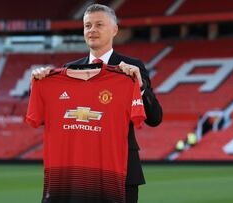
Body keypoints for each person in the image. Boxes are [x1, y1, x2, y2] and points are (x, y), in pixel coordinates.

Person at [31, 4, 163, 203]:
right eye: (87, 25)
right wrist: (41, 81)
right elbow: (52, 119)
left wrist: (140, 86)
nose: (92, 30)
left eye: (99, 24)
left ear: (114, 30)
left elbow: (155, 118)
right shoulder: (68, 70)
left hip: (122, 172)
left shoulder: (132, 68)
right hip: (77, 171)